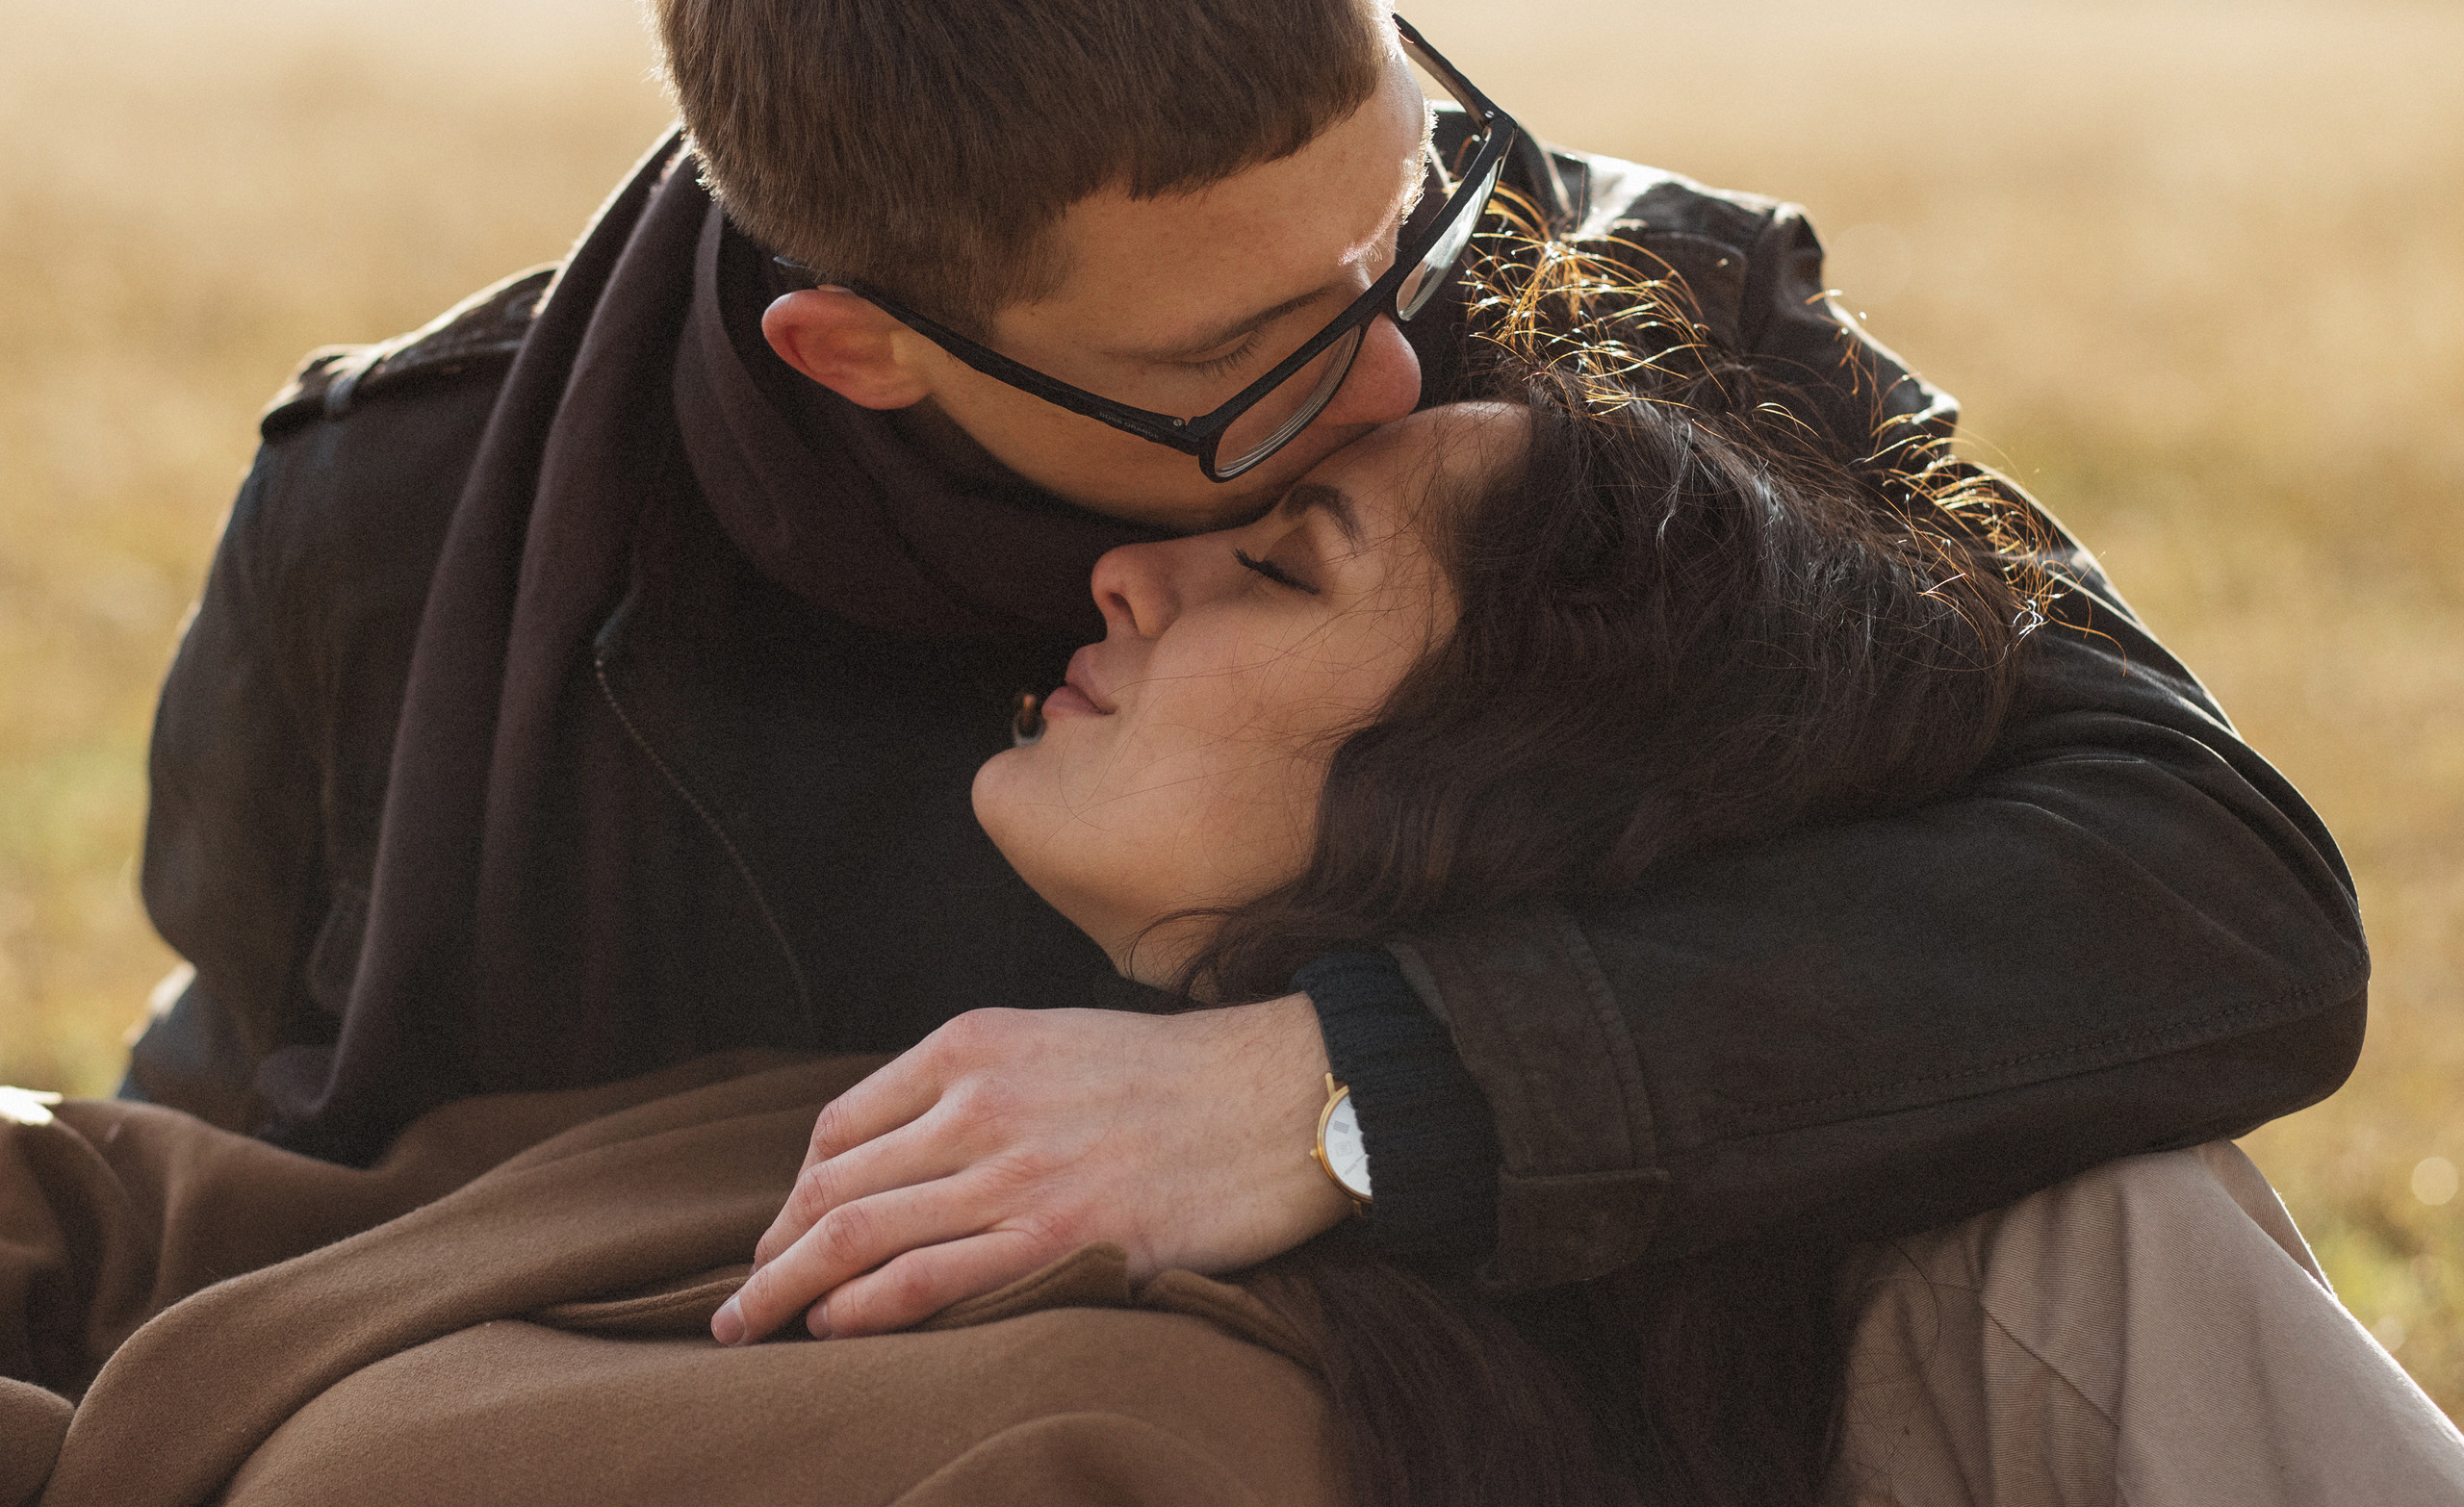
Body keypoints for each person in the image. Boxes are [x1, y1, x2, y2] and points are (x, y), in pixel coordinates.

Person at [124, 0, 2365, 1340]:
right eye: (1235, 364)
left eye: (1401, 216)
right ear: (859, 348)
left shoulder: (1625, 300)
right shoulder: (399, 525)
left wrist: (1338, 1088)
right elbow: (257, 1120)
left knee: (2120, 1223)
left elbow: (2204, 887)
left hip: (1555, 1382)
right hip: (795, 1433)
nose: (1403, 360)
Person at [13, 279, 2453, 1507]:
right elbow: (181, 1225)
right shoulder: (921, 1116)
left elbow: (2215, 882)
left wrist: (1342, 1089)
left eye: (1276, 559)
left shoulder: (1141, 1435)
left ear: (1482, 799)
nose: (1127, 574)